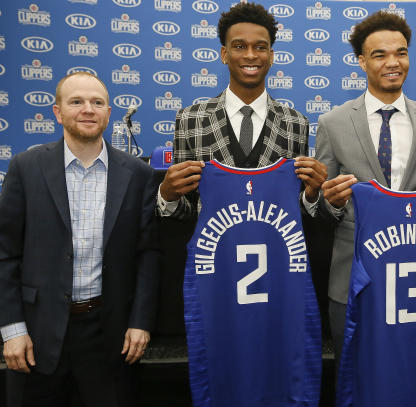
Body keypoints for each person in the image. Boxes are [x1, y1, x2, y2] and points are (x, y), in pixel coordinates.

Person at [314, 11, 416, 368]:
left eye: (401, 52)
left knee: (412, 372)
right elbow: (321, 206)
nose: (393, 62)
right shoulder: (333, 123)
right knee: (355, 376)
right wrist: (329, 200)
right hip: (353, 277)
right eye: (379, 54)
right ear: (361, 61)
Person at [0, 72, 160, 406]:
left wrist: (140, 323)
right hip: (36, 336)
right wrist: (13, 329)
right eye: (77, 102)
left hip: (109, 335)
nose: (88, 109)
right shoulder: (26, 168)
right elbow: (5, 255)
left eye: (97, 102)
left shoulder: (138, 174)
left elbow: (148, 255)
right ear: (58, 112)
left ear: (108, 112)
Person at [157, 2, 326, 219]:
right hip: (213, 251)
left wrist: (311, 196)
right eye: (239, 46)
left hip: (273, 249)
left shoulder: (295, 123)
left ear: (271, 56)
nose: (250, 55)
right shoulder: (191, 119)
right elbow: (185, 213)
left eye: (260, 47)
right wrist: (167, 196)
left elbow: (295, 209)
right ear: (224, 54)